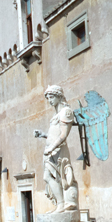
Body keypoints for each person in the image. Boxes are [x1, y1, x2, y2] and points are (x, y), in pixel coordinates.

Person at [33, 85, 79, 213]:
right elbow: (55, 134)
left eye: (51, 97)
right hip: (51, 150)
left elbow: (63, 135)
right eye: (48, 98)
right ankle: (60, 204)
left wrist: (51, 148)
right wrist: (43, 135)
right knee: (49, 177)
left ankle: (64, 204)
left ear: (59, 96)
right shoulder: (57, 114)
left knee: (62, 178)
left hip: (59, 151)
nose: (49, 100)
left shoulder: (66, 112)